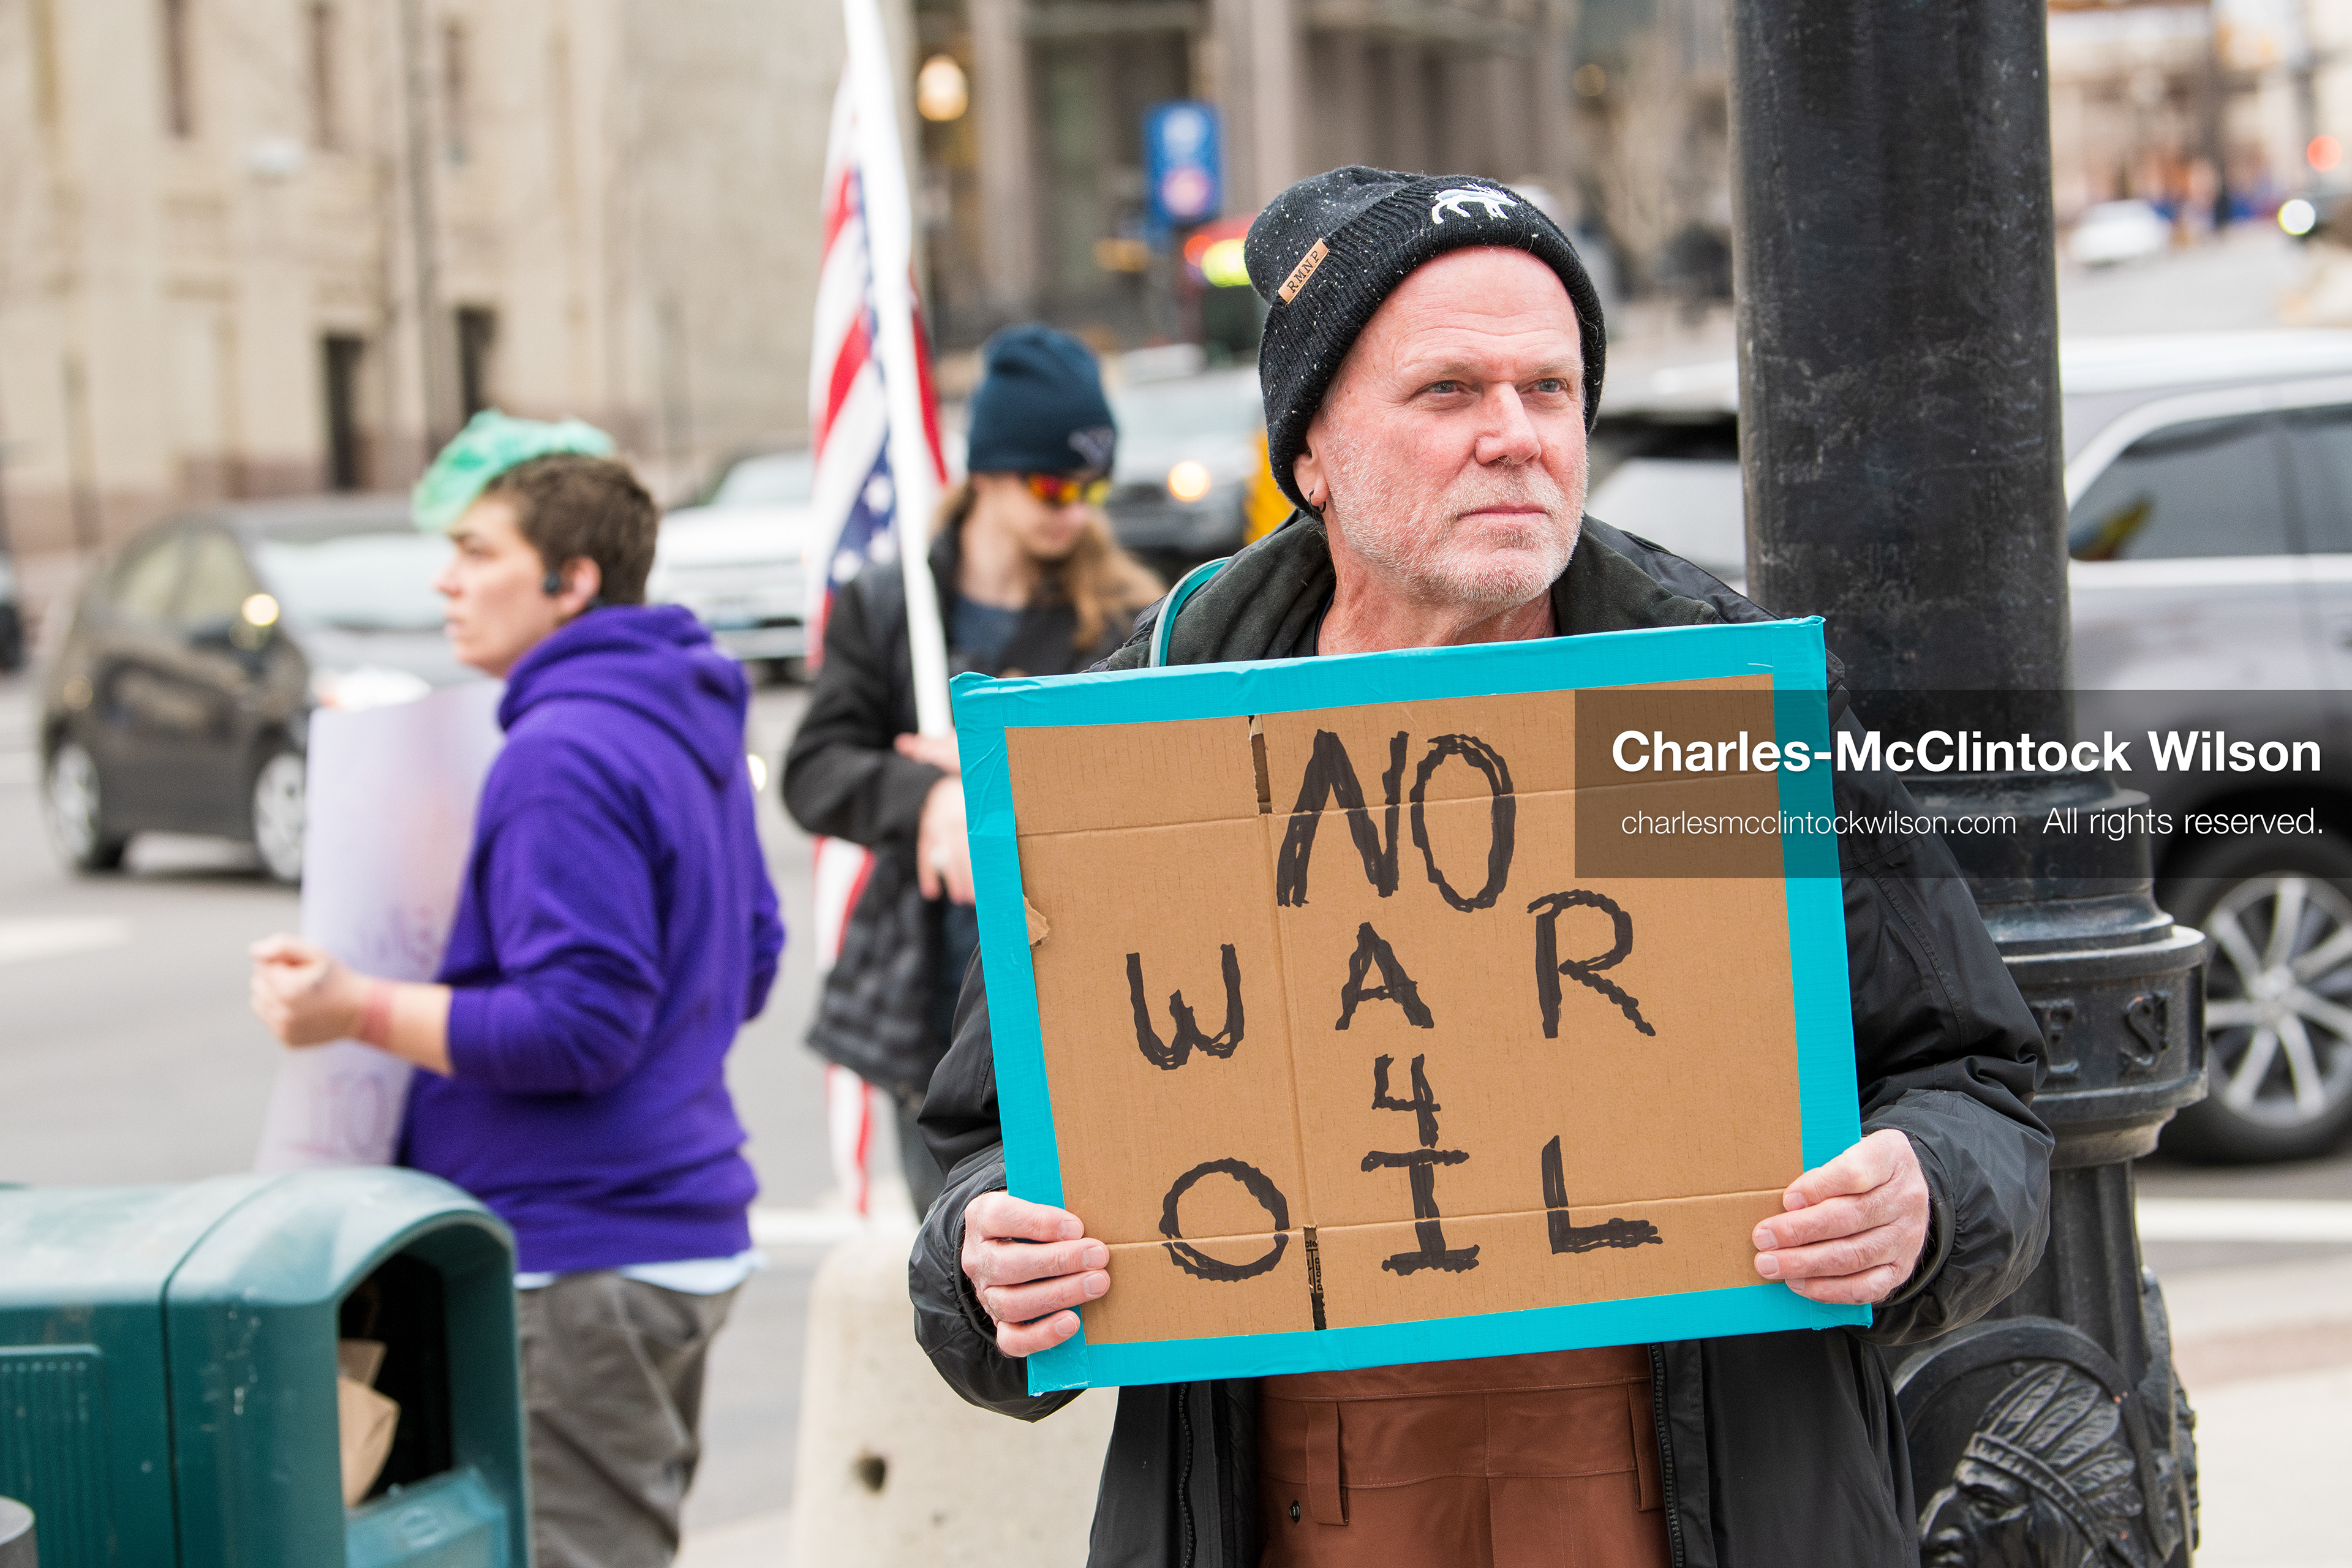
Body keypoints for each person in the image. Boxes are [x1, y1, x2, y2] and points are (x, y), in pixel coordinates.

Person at [910, 169, 2054, 1566]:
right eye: (1449, 390)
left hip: (1685, 1499)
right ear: (1313, 452)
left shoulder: (1682, 717)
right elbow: (984, 1146)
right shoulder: (1152, 734)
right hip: (1300, 1500)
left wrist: (1924, 1196)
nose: (1514, 437)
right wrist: (988, 1263)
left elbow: (1977, 1079)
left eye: (1550, 390)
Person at [249, 410, 783, 1568]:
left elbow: (577, 1027)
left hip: (576, 1255)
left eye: (480, 553)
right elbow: (748, 961)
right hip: (658, 1237)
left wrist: (357, 1008)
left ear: (571, 579)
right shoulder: (674, 713)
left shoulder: (562, 749)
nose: (447, 582)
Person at [785, 325, 1161, 1219]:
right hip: (930, 996)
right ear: (987, 471)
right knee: (963, 1249)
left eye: (1091, 486)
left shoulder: (1124, 618)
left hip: (1078, 977)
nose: (1072, 506)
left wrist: (1008, 768)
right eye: (1049, 483)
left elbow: (1154, 781)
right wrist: (930, 798)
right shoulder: (893, 606)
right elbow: (815, 769)